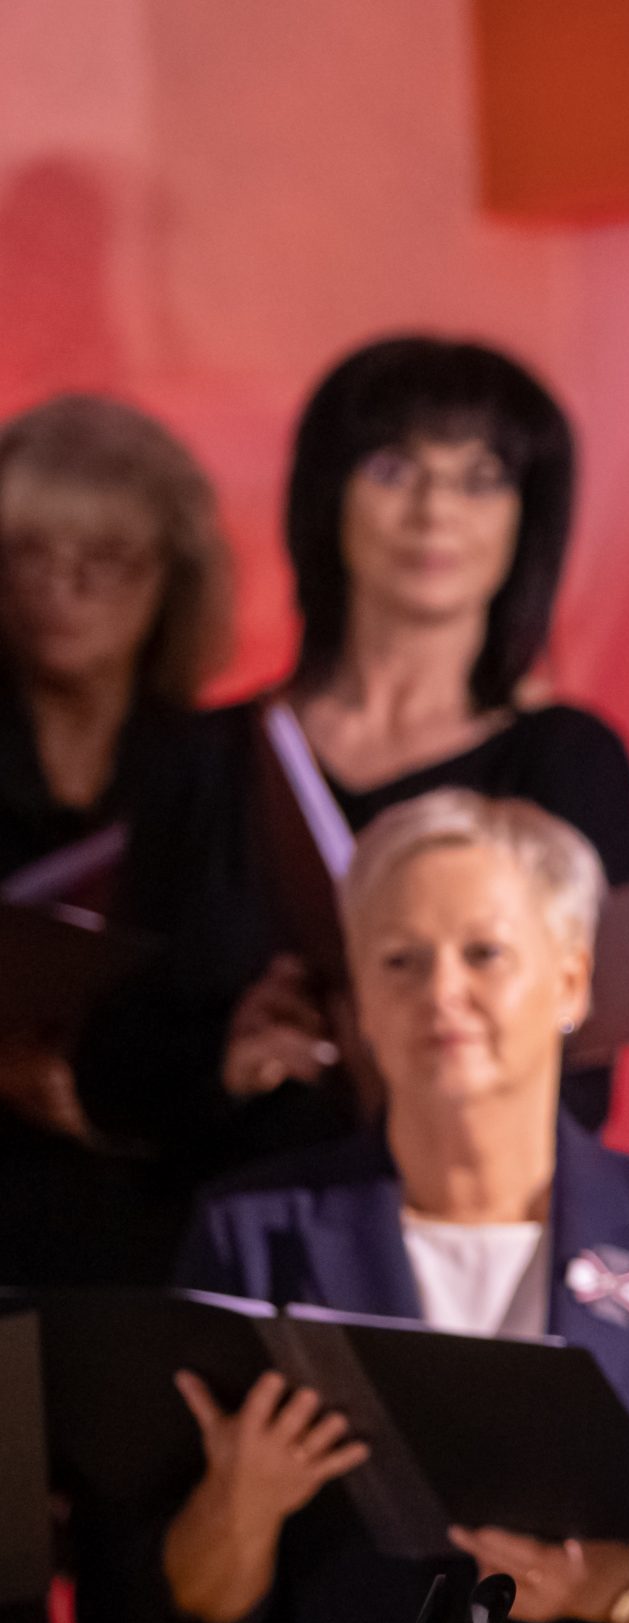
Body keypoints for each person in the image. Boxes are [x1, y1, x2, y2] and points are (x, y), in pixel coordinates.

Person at [75, 789, 629, 1623]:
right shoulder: (253, 1233)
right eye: (400, 960)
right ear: (361, 1003)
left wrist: (601, 1585)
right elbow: (175, 1617)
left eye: (484, 952)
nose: (440, 992)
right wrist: (241, 1506)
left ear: (572, 980)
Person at [78, 335, 629, 1201]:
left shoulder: (572, 761)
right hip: (220, 1229)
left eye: (481, 478)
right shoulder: (200, 757)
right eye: (392, 468)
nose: (434, 510)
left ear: (527, 517)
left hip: (452, 1241)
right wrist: (226, 1055)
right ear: (327, 496)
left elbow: (587, 1081)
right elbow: (111, 1069)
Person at [0, 393, 232, 1284]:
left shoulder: (220, 767)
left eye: (104, 559)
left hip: (151, 1209)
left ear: (174, 577)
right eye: (30, 553)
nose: (63, 589)